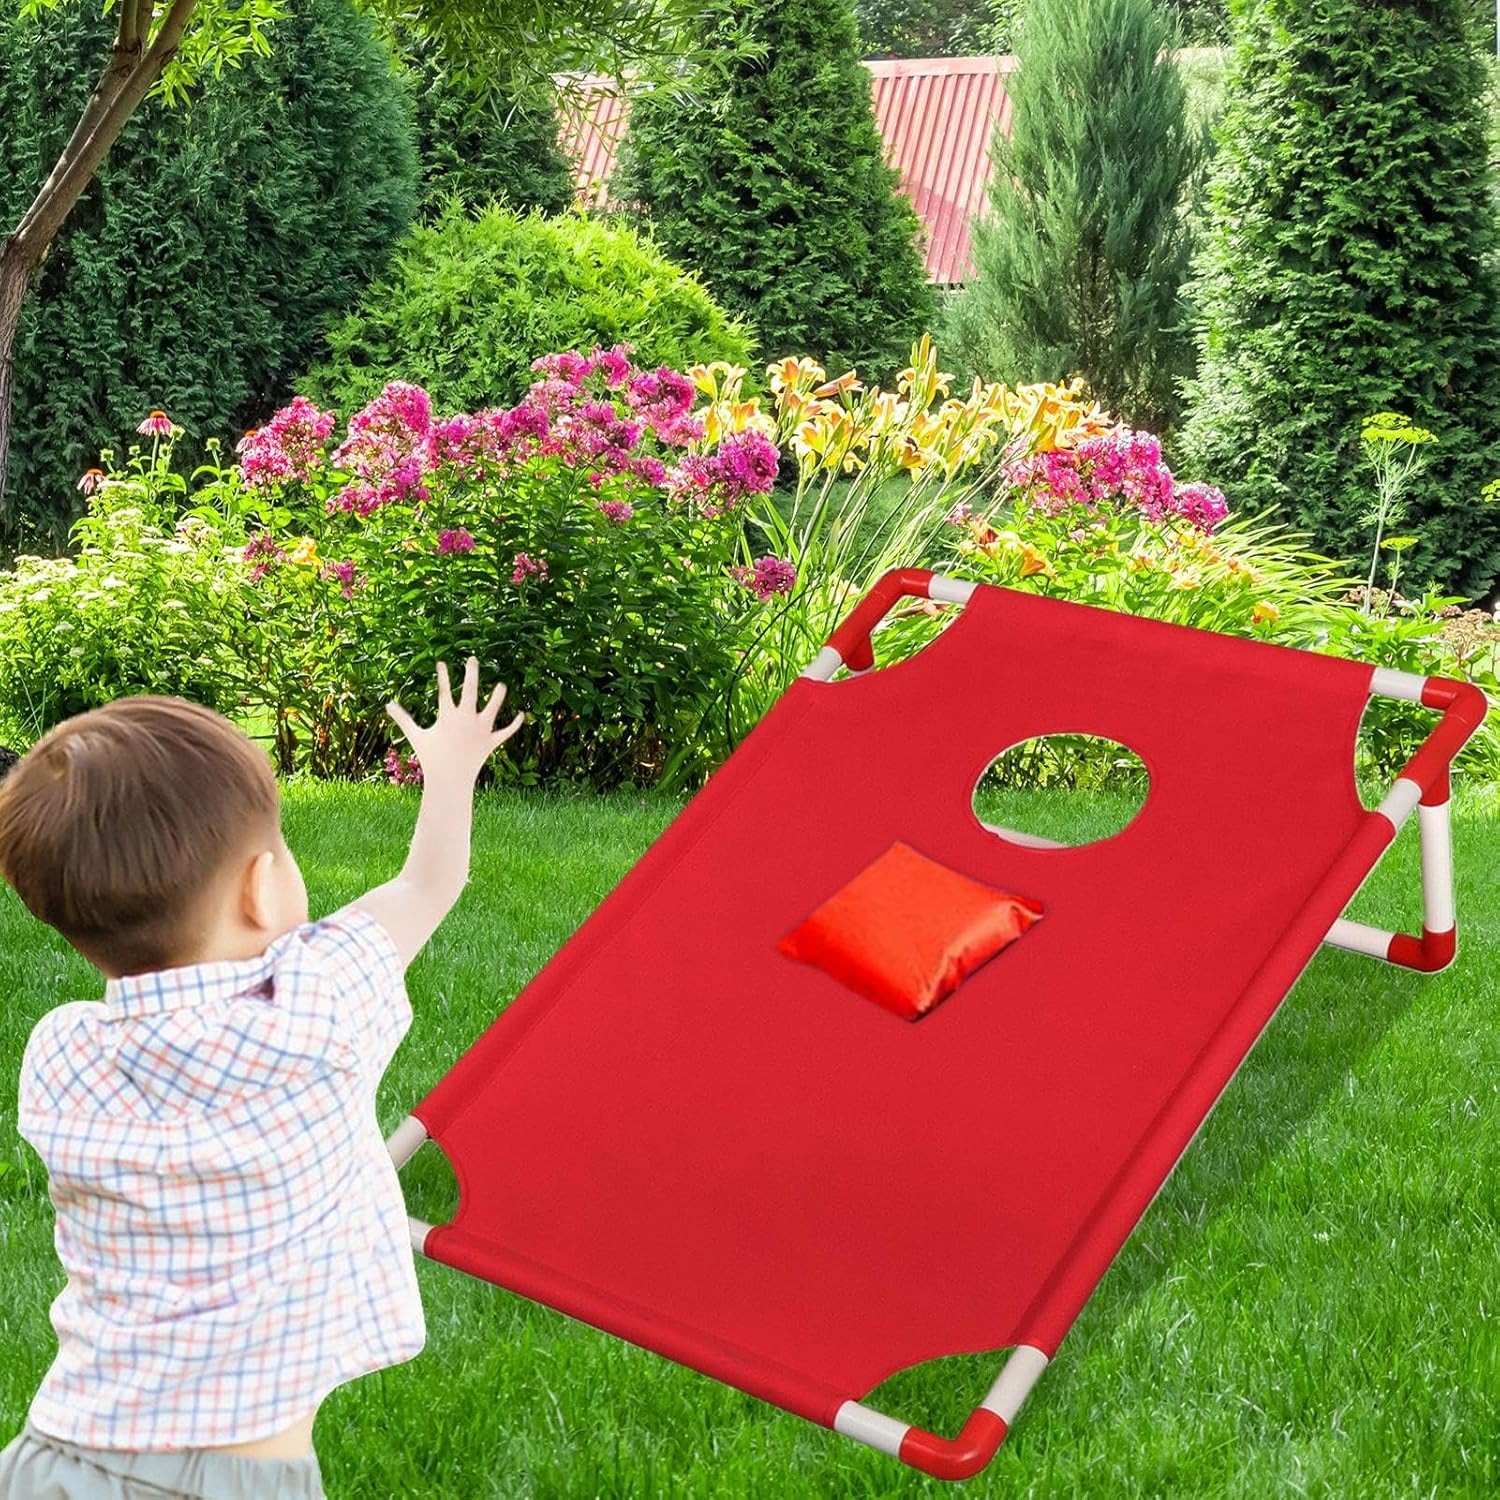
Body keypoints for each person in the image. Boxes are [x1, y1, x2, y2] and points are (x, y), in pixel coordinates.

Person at [0, 660, 522, 1500]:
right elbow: (429, 883)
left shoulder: (61, 1054)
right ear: (260, 887)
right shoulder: (318, 1010)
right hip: (239, 1480)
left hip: (58, 1456)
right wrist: (452, 769)